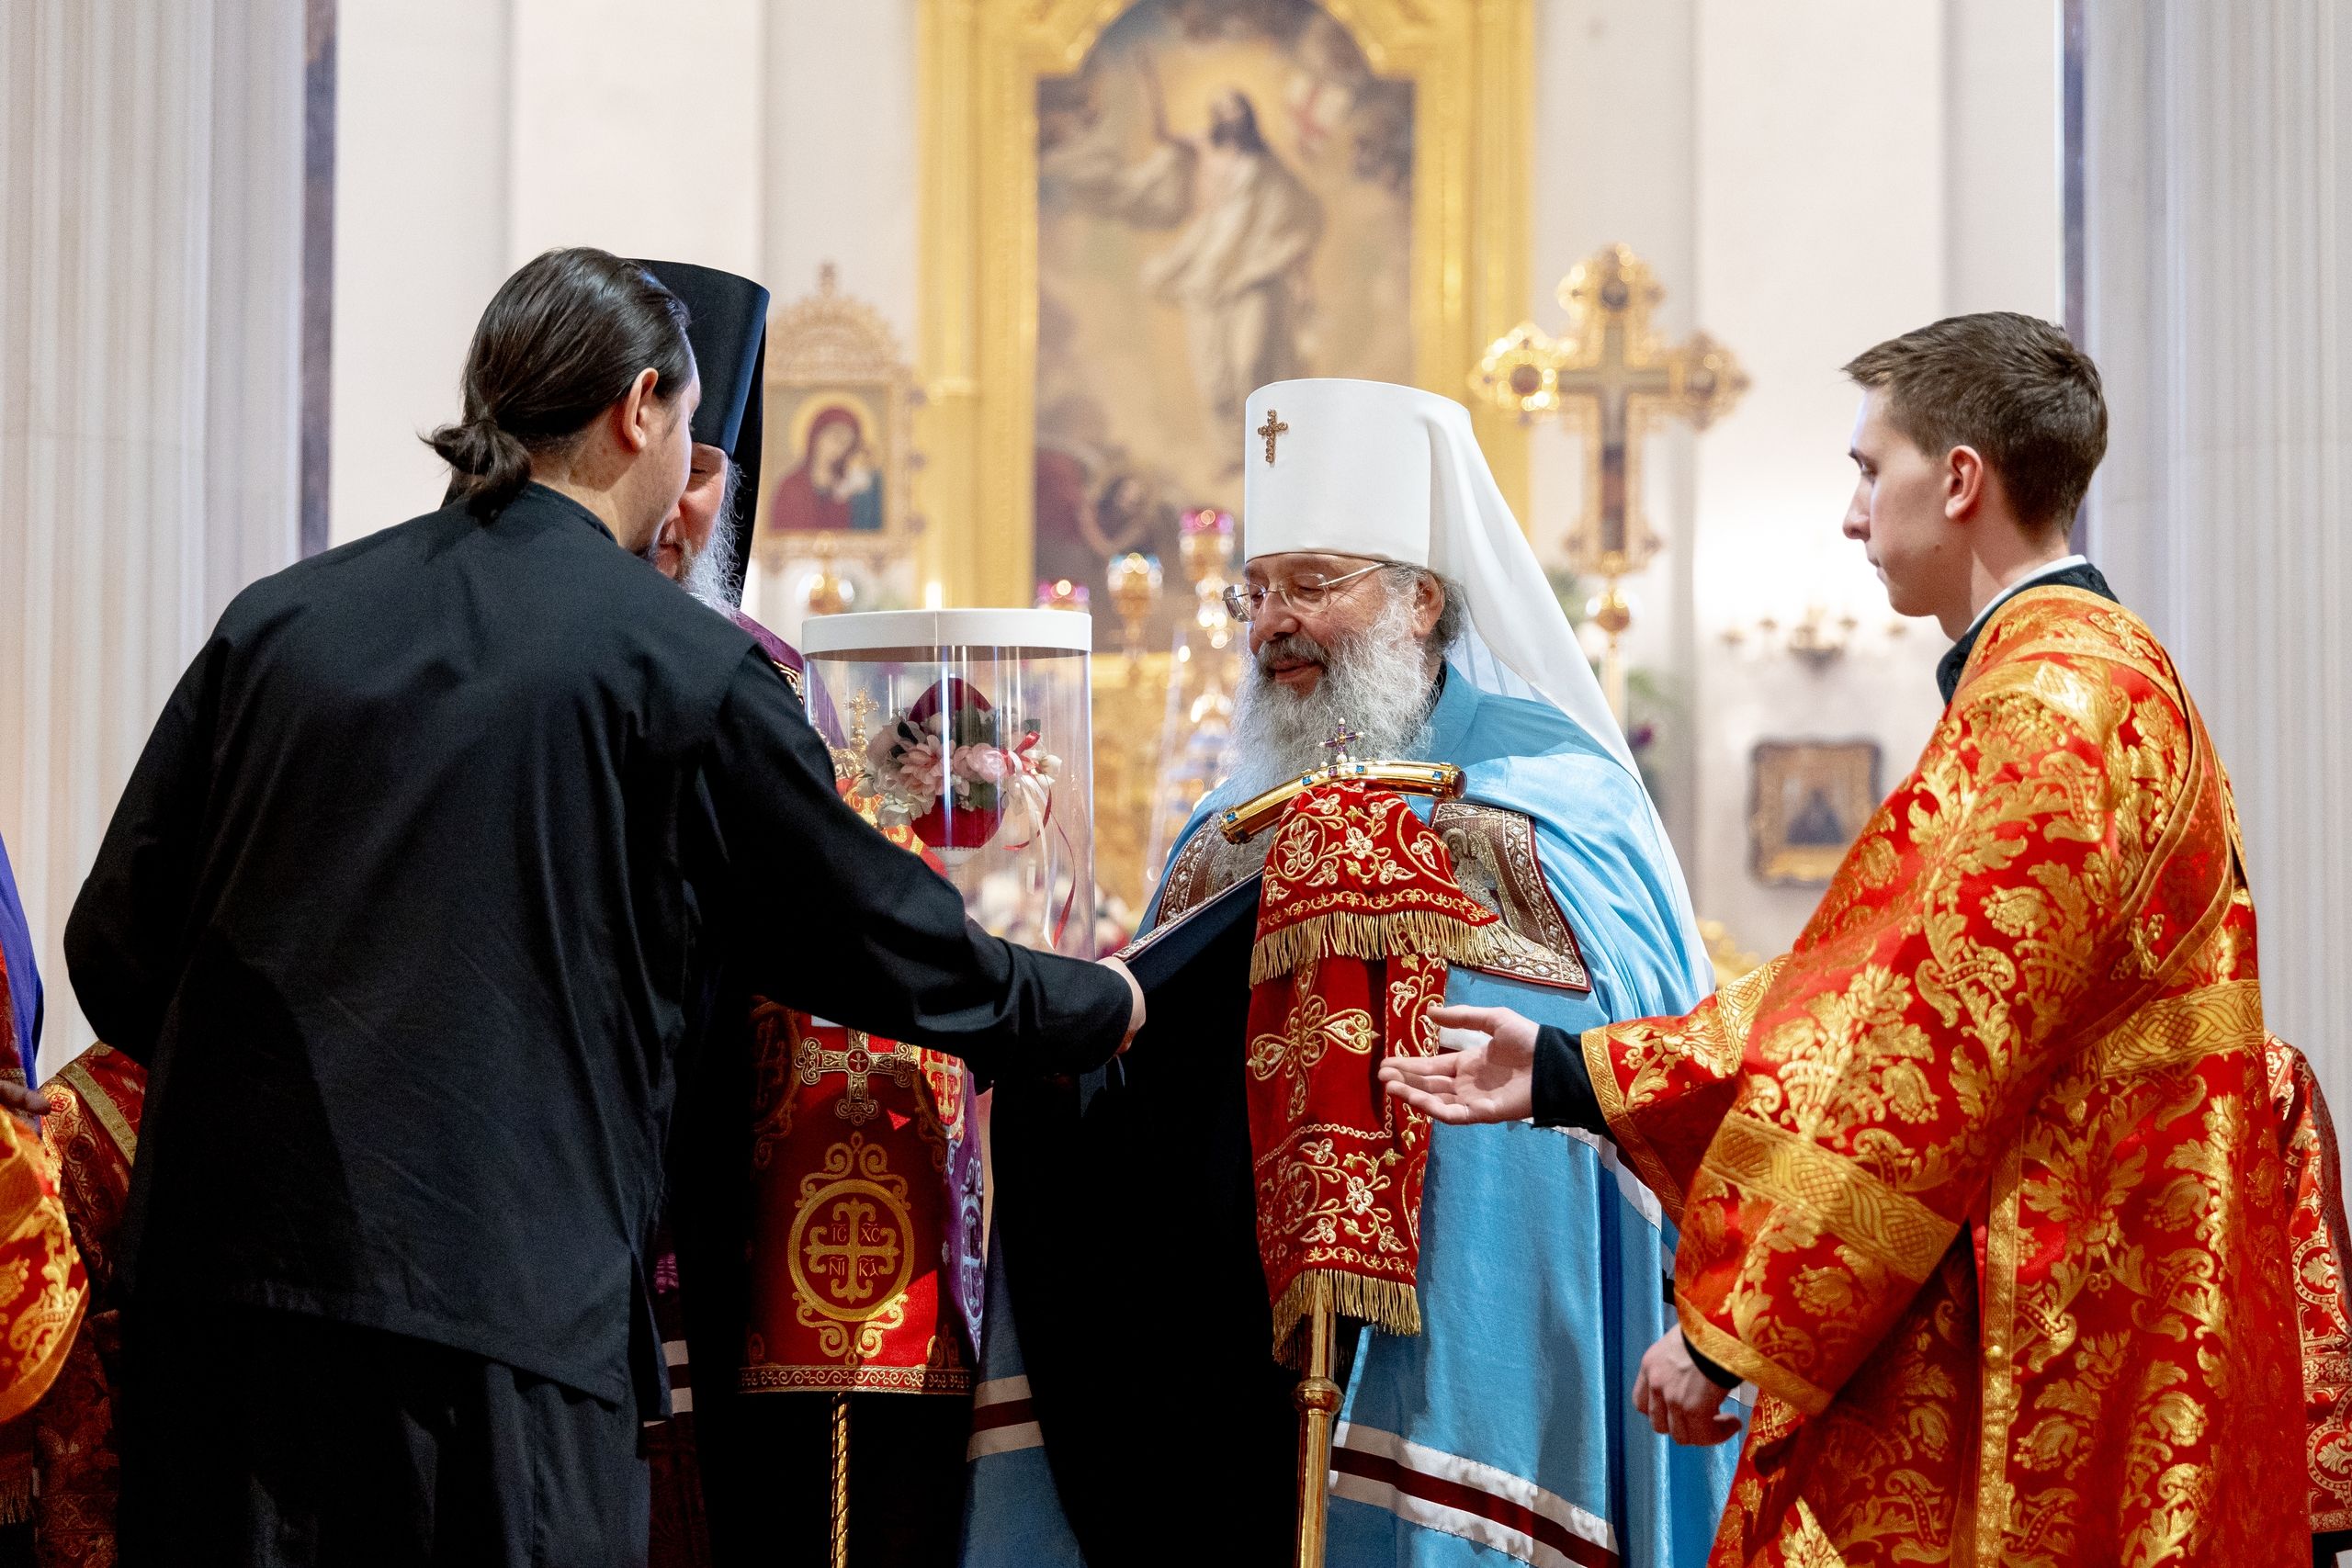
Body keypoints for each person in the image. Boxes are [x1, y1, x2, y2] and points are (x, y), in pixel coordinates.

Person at [63, 246, 1143, 1567]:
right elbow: (878, 942)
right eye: (689, 427)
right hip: (496, 1327)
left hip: (218, 1320)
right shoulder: (678, 665)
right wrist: (1095, 1002)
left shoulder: (279, 623)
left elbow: (113, 945)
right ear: (640, 409)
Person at [1384, 313, 2307, 1564]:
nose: (1853, 515)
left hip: (2047, 1336)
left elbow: (1923, 1056)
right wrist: (1571, 1070)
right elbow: (1864, 989)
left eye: (1873, 470)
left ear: (1961, 480)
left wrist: (1733, 1331)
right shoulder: (2099, 674)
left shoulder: (2050, 708)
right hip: (2097, 1301)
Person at [962, 378, 1735, 1568]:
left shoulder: (1559, 795)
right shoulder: (1226, 822)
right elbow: (1141, 1055)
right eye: (1257, 591)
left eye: (1314, 585)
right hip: (1236, 1361)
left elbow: (1619, 1032)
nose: (1274, 624)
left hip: (1474, 1297)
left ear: (1421, 600)